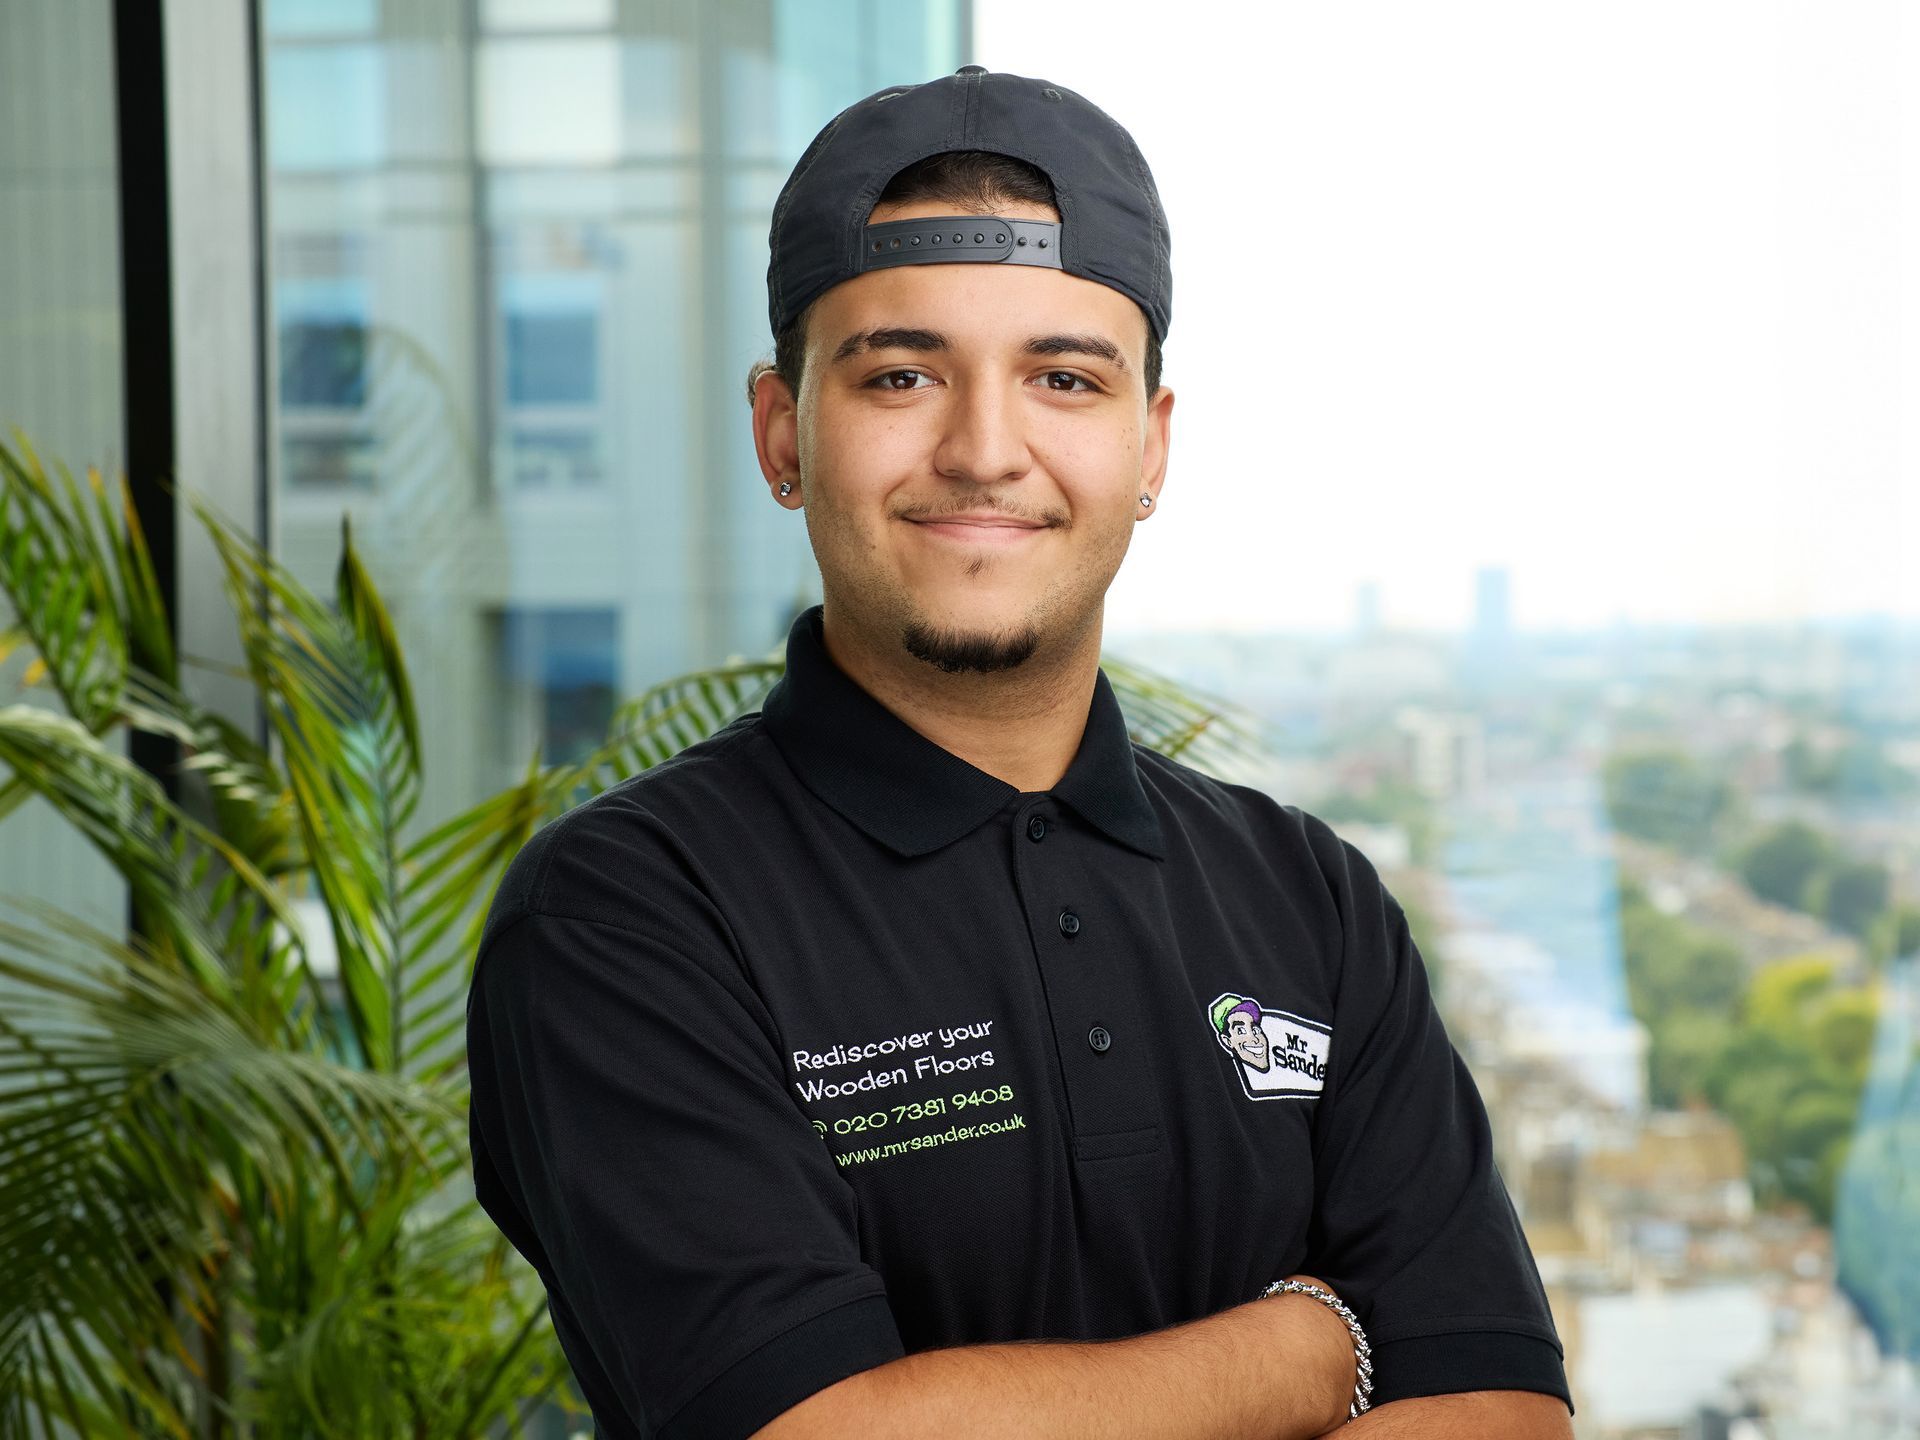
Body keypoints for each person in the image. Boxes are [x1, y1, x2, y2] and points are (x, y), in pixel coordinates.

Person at [465, 66, 1576, 1440]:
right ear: (780, 432)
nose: (985, 449)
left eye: (1063, 376)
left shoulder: (1311, 898)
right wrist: (1308, 1352)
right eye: (899, 374)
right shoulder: (629, 915)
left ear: (1149, 445)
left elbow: (1502, 1414)